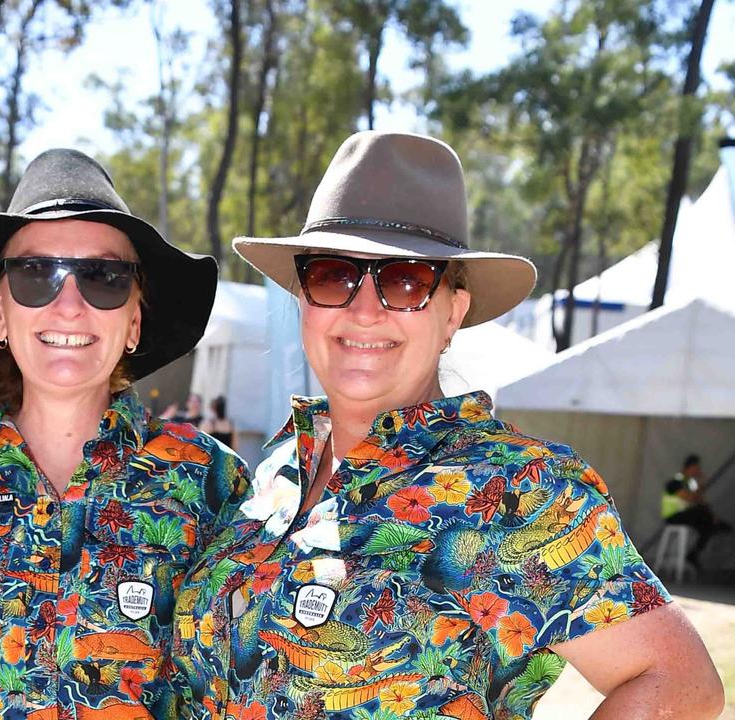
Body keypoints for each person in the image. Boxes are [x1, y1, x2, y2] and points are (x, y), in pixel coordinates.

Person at [171, 131, 724, 719]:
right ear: (302, 299)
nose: (364, 309)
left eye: (406, 280)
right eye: (333, 275)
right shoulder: (281, 466)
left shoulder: (518, 489)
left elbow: (678, 682)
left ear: (453, 311)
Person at [0, 148, 250, 719]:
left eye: (105, 278)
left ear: (135, 318)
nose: (69, 306)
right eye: (36, 273)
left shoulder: (212, 483)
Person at [663, 454, 731, 569]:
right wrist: (700, 484)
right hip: (675, 516)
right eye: (696, 468)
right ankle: (714, 523)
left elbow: (701, 501)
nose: (698, 470)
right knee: (702, 512)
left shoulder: (691, 484)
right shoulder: (676, 482)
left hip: (691, 515)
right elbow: (690, 498)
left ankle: (693, 554)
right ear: (689, 468)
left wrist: (712, 515)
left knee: (708, 527)